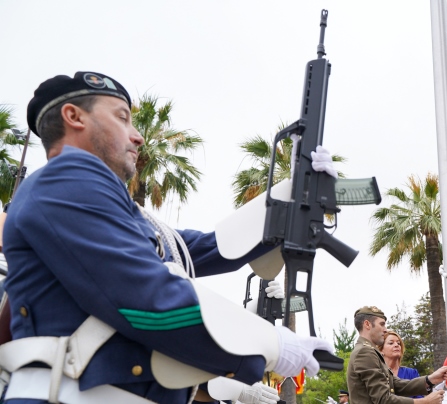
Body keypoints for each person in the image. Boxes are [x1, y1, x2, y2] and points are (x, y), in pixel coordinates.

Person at [0, 71, 335, 403]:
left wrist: (295, 192)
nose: (137, 136)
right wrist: (270, 345)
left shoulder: (107, 206)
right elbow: (146, 301)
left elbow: (212, 248)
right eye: (122, 118)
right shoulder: (65, 181)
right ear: (73, 117)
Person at [347, 306, 447, 403]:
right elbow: (383, 399)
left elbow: (396, 385)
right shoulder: (365, 352)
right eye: (382, 324)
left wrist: (431, 379)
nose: (385, 329)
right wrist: (425, 402)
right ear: (367, 324)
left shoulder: (369, 351)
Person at [379, 330, 422, 398]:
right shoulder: (376, 374)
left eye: (398, 343)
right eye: (391, 343)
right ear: (380, 350)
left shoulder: (412, 373)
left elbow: (420, 398)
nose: (396, 345)